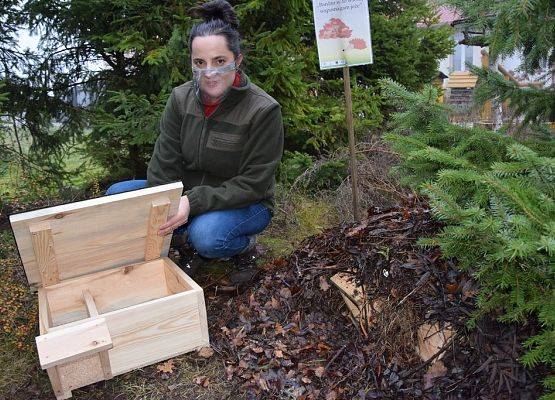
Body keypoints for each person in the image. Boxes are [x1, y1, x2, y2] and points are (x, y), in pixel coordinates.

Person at [106, 0, 284, 285]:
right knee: (117, 196)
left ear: (237, 61)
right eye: (199, 63)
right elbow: (163, 165)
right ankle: (183, 241)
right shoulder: (180, 98)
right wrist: (163, 204)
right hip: (187, 194)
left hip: (247, 202)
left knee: (207, 236)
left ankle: (243, 247)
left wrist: (192, 202)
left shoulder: (263, 110)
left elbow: (254, 183)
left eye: (219, 62)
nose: (209, 73)